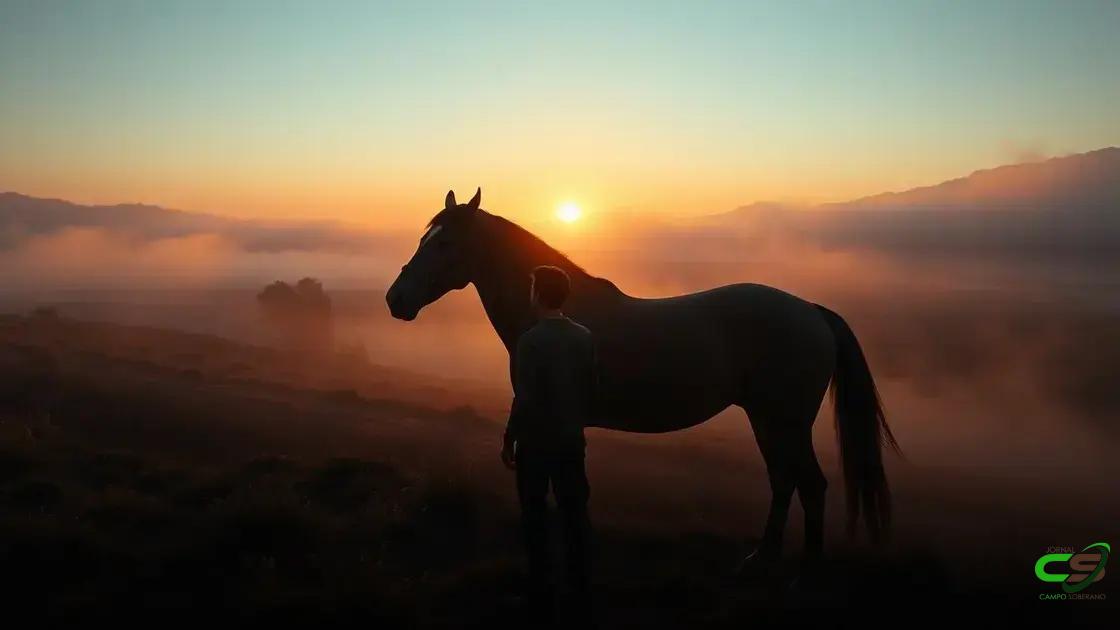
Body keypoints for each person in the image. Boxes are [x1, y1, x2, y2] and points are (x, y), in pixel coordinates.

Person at [501, 265, 597, 624]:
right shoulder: (584, 337)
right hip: (572, 441)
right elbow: (591, 388)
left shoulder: (530, 341)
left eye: (531, 289)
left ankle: (540, 591)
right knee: (574, 513)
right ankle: (581, 589)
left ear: (539, 294)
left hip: (536, 443)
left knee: (535, 514)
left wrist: (510, 436)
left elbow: (524, 397)